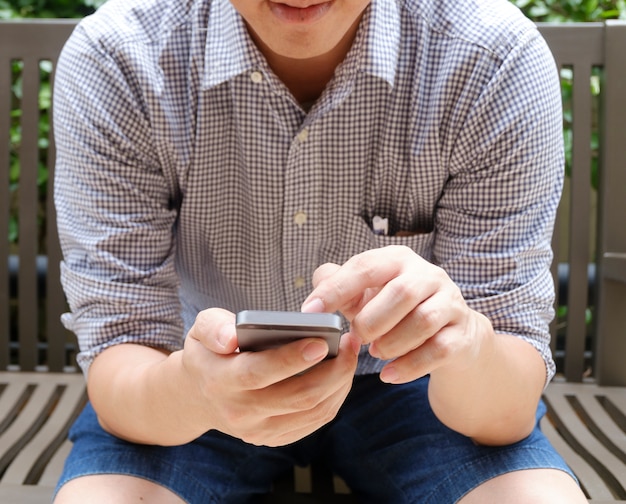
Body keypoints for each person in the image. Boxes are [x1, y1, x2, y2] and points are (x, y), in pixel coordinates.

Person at [52, 0, 588, 502]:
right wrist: (196, 391)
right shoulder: (120, 56)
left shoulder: (490, 56)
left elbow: (507, 398)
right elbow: (124, 351)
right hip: (189, 378)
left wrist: (464, 342)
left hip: (421, 386)